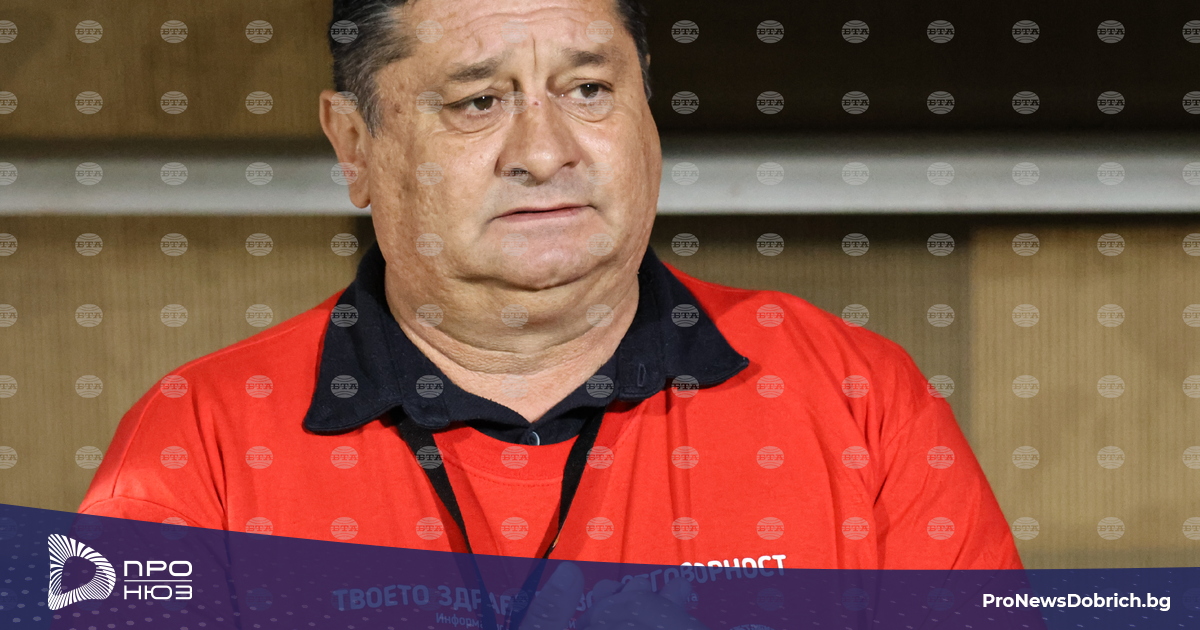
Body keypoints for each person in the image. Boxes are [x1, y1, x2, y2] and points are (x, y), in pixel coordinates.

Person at [80, 0, 1022, 625]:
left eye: (589, 90)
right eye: (478, 100)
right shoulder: (199, 439)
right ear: (355, 144)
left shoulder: (855, 395)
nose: (544, 151)